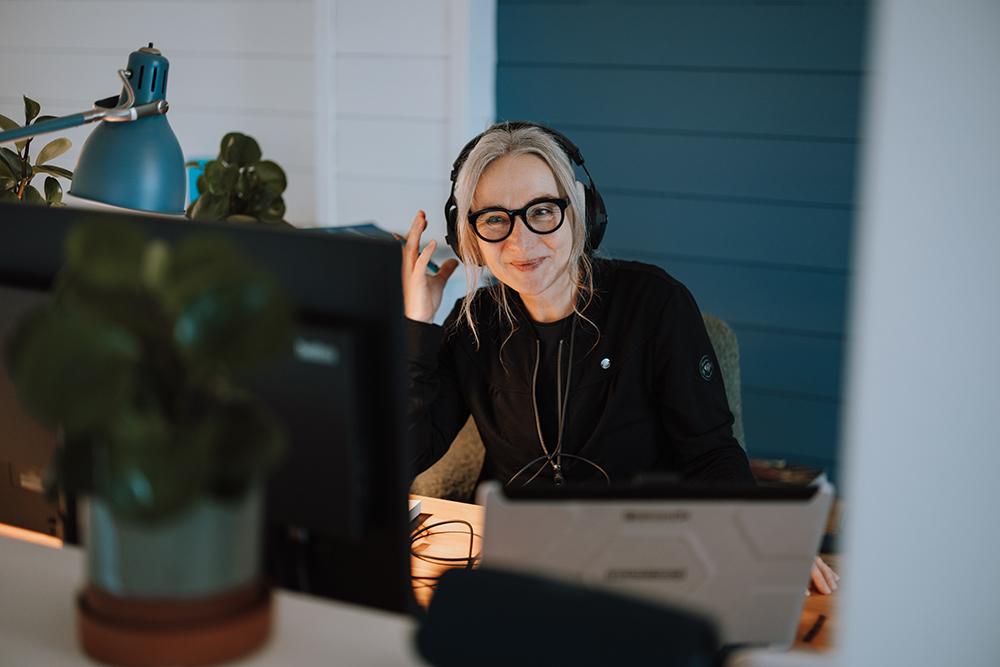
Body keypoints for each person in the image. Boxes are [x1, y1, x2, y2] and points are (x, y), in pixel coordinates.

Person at [401, 121, 837, 593]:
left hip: (643, 562)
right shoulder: (474, 324)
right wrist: (415, 328)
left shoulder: (654, 303)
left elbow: (709, 453)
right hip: (519, 564)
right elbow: (406, 455)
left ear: (581, 214)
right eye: (493, 219)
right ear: (470, 235)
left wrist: (762, 537)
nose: (519, 241)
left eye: (542, 211)